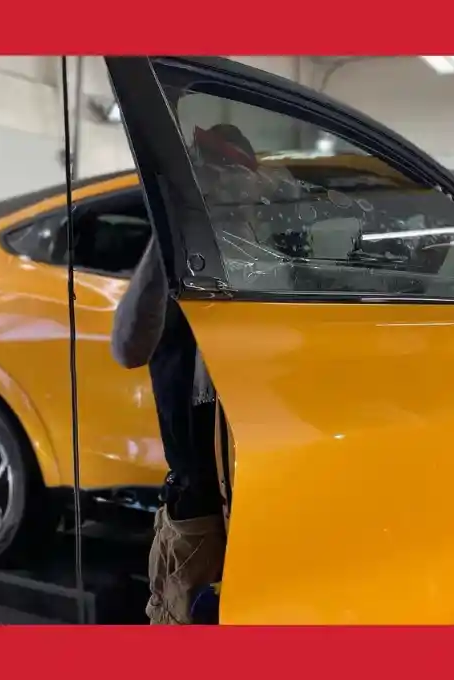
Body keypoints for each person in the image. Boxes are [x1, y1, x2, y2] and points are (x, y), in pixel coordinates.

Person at [110, 123, 260, 625]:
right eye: (209, 176)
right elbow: (127, 347)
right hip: (199, 520)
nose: (223, 192)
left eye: (232, 176)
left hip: (268, 509)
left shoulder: (267, 269)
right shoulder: (178, 273)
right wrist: (170, 232)